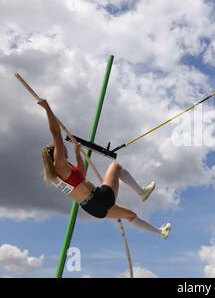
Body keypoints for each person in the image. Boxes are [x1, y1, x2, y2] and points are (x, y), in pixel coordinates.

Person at [38, 99, 171, 239]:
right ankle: (142, 192)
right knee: (115, 166)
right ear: (56, 153)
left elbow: (82, 174)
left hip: (92, 209)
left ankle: (160, 232)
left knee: (130, 215)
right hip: (98, 198)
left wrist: (78, 155)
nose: (65, 148)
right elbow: (56, 133)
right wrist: (47, 108)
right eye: (62, 147)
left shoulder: (58, 174)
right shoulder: (59, 164)